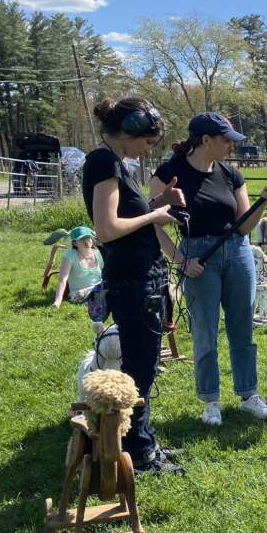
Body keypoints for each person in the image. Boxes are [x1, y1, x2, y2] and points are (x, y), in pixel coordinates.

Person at [151, 112, 267, 425]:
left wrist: (263, 202)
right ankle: (211, 402)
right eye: (225, 140)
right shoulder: (169, 173)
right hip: (196, 256)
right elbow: (151, 222)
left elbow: (244, 226)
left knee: (242, 329)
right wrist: (181, 260)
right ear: (205, 140)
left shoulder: (231, 174)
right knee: (205, 331)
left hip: (238, 252)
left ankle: (249, 395)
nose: (230, 147)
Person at [82, 97, 185, 475]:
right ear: (130, 130)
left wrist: (159, 202)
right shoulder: (103, 161)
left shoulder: (115, 165)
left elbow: (126, 215)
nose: (148, 150)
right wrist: (156, 215)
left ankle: (144, 442)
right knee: (139, 371)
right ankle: (138, 453)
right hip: (133, 281)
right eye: (148, 141)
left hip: (144, 278)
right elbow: (106, 229)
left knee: (144, 367)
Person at [51, 226, 103, 308]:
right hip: (80, 295)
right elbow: (62, 279)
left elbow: (106, 275)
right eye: (82, 239)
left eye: (88, 238)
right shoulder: (70, 255)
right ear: (75, 243)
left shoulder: (97, 253)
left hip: (99, 289)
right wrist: (57, 301)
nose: (86, 242)